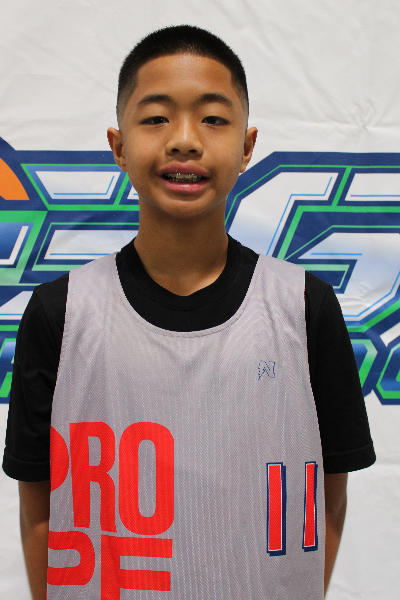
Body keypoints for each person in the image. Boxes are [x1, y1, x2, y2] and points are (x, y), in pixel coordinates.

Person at [2, 25, 375, 600]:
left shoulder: (304, 307)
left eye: (213, 118)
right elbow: (38, 504)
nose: (183, 140)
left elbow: (330, 494)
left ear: (247, 146)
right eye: (156, 118)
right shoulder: (61, 312)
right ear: (118, 145)